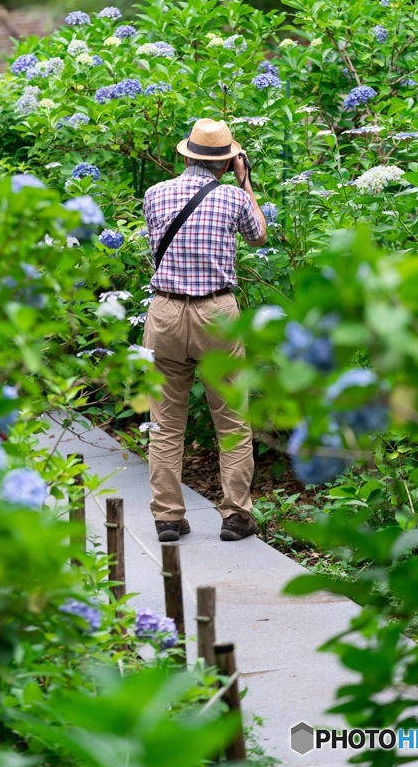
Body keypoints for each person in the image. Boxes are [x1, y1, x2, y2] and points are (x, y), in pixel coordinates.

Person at [142, 117, 268, 543]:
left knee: (164, 421)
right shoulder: (232, 197)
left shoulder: (155, 194)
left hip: (164, 313)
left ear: (186, 154)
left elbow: (153, 251)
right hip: (216, 313)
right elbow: (259, 236)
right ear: (228, 160)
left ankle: (168, 519)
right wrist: (245, 179)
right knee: (232, 419)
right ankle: (235, 516)